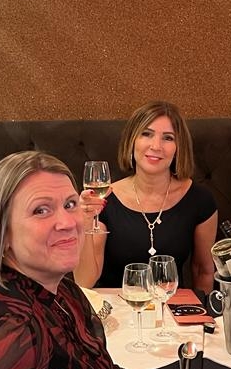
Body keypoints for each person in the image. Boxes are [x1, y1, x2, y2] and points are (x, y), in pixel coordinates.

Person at [0, 151, 121, 369]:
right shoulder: (11, 330)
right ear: (2, 234)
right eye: (41, 210)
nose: (67, 223)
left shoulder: (62, 291)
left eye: (70, 204)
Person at [74, 101, 217, 292]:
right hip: (115, 311)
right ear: (132, 141)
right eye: (146, 134)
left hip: (170, 310)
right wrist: (84, 221)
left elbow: (203, 271)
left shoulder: (200, 199)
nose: (156, 146)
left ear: (178, 148)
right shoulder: (106, 200)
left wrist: (201, 316)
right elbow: (85, 281)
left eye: (168, 138)